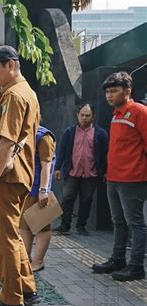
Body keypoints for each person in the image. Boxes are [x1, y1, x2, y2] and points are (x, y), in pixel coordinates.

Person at [0, 45, 41, 306]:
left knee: (2, 239)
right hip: (19, 175)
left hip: (7, 177)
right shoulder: (26, 93)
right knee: (12, 235)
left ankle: (12, 300)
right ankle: (27, 289)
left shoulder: (14, 95)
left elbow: (7, 141)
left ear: (10, 65)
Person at [92, 72, 147, 281]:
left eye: (114, 91)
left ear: (128, 91)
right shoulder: (117, 115)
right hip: (114, 178)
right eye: (107, 91)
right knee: (118, 221)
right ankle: (117, 259)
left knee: (135, 223)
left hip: (133, 179)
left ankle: (136, 267)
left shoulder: (139, 112)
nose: (109, 95)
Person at [53, 104, 108, 236]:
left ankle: (81, 226)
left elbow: (105, 154)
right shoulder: (69, 132)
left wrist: (105, 171)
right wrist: (58, 167)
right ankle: (64, 225)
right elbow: (62, 150)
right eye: (82, 115)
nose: (84, 118)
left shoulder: (101, 134)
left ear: (93, 116)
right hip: (72, 171)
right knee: (67, 198)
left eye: (87, 115)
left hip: (91, 173)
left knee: (86, 200)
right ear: (77, 115)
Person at [20, 126, 56, 272]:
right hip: (26, 187)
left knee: (41, 226)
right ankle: (25, 257)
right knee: (24, 225)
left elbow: (46, 165)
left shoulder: (43, 136)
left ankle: (38, 261)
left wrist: (43, 190)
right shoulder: (24, 134)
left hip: (38, 188)